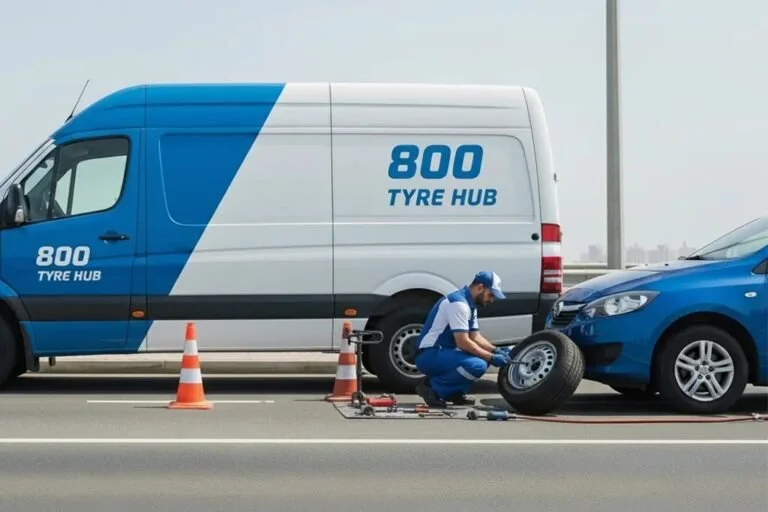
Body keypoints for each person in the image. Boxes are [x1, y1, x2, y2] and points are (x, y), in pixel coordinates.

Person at [414, 271, 512, 408]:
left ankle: (454, 392)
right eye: (491, 294)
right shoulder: (459, 304)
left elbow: (475, 336)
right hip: (429, 354)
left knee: (483, 359)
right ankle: (432, 388)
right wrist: (491, 356)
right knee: (477, 365)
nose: (492, 300)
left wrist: (495, 350)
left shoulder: (470, 304)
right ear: (480, 287)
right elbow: (463, 342)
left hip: (442, 353)